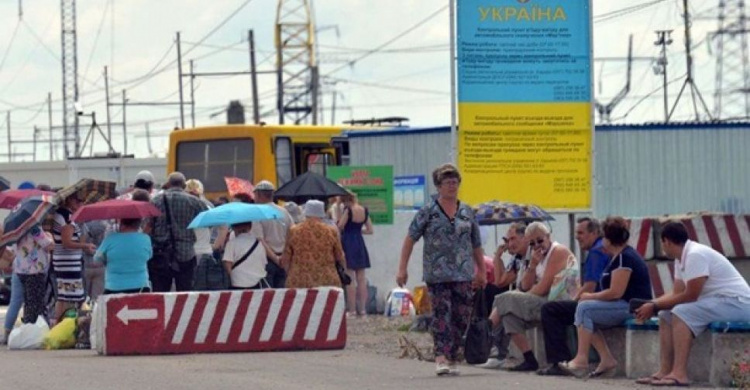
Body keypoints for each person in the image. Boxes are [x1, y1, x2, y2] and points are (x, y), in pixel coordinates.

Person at [634, 221, 750, 387]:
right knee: (665, 314)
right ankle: (665, 371)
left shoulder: (695, 254)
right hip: (719, 301)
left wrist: (654, 305)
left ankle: (680, 373)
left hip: (737, 302)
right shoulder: (680, 258)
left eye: (662, 242)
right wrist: (652, 305)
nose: (662, 245)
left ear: (667, 241)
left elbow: (690, 295)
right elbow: (676, 292)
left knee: (681, 312)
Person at [396, 163, 486, 376]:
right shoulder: (428, 211)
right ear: (438, 186)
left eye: (454, 182)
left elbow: (476, 243)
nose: (451, 186)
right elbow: (410, 238)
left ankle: (453, 353)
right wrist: (402, 268)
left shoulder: (467, 211)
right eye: (447, 182)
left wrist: (481, 270)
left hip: (463, 273)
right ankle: (441, 356)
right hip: (437, 274)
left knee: (461, 316)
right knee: (442, 314)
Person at [559, 217, 653, 378]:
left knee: (584, 308)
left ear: (608, 240)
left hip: (633, 307)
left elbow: (616, 292)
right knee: (586, 312)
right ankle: (607, 359)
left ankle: (581, 360)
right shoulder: (618, 257)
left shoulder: (625, 257)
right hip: (623, 304)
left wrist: (589, 296)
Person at [487, 222, 578, 372]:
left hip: (560, 302)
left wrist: (517, 297)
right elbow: (524, 285)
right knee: (509, 315)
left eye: (540, 241)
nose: (537, 245)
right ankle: (529, 359)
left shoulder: (558, 251)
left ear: (548, 237)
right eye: (532, 243)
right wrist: (533, 265)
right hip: (545, 301)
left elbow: (542, 288)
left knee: (504, 299)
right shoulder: (535, 256)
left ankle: (487, 334)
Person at [537, 217, 610, 376]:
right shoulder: (599, 249)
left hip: (598, 302)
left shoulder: (597, 252)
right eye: (576, 233)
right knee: (561, 308)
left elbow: (590, 286)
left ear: (594, 233)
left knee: (550, 310)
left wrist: (574, 300)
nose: (577, 237)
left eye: (581, 233)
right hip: (602, 300)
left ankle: (559, 361)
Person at [477, 222, 530, 369]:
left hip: (533, 295)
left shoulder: (532, 254)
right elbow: (500, 281)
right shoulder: (517, 259)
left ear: (525, 238)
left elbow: (527, 286)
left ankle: (489, 345)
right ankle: (494, 349)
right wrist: (497, 256)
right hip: (521, 297)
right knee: (497, 297)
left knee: (502, 300)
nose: (510, 244)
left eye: (513, 239)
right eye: (507, 240)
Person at [149, 172, 207, 292]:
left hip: (161, 254)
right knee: (185, 293)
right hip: (186, 253)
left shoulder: (155, 201)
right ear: (184, 185)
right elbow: (207, 219)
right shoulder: (194, 201)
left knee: (161, 294)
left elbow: (149, 225)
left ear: (169, 184)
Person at [52, 195, 96, 323]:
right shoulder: (66, 217)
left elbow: (78, 239)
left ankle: (60, 324)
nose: (81, 202)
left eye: (82, 200)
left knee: (63, 296)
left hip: (65, 260)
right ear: (69, 200)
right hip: (67, 261)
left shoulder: (68, 216)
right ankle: (70, 324)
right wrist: (85, 245)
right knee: (74, 296)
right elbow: (67, 243)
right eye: (78, 200)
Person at [282, 200, 346, 289]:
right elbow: (340, 256)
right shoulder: (331, 231)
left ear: (306, 213)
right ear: (322, 213)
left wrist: (290, 273)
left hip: (299, 279)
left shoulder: (294, 231)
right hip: (326, 279)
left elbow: (286, 258)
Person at [251, 180, 294, 288]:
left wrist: (275, 258)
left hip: (267, 260)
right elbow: (292, 234)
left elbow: (260, 240)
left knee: (268, 296)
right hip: (284, 260)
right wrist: (284, 256)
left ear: (259, 195)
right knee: (283, 294)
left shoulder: (257, 213)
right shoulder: (284, 212)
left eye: (255, 194)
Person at [337, 192, 374, 316]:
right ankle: (363, 309)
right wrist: (358, 231)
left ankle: (352, 309)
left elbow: (340, 225)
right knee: (361, 278)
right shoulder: (364, 210)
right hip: (359, 241)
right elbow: (370, 230)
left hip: (348, 242)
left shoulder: (348, 210)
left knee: (350, 278)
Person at [93, 218, 152, 294]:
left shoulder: (110, 239)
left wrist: (107, 260)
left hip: (114, 287)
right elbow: (149, 256)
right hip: (141, 286)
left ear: (122, 224)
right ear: (138, 225)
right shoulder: (146, 239)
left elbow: (97, 259)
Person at [11, 226, 55, 325]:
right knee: (36, 303)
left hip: (21, 269)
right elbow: (48, 245)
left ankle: (28, 326)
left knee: (28, 302)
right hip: (34, 270)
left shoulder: (17, 228)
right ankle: (33, 327)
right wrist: (50, 237)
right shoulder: (34, 228)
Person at [222, 222, 267, 289]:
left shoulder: (231, 244)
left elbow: (228, 264)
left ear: (234, 228)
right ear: (250, 226)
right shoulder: (258, 243)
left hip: (237, 283)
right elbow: (264, 263)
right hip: (256, 283)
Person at [82, 220, 107, 302]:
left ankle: (84, 314)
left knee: (84, 298)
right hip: (100, 265)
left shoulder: (83, 226)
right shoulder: (103, 226)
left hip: (85, 265)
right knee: (98, 299)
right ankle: (95, 314)